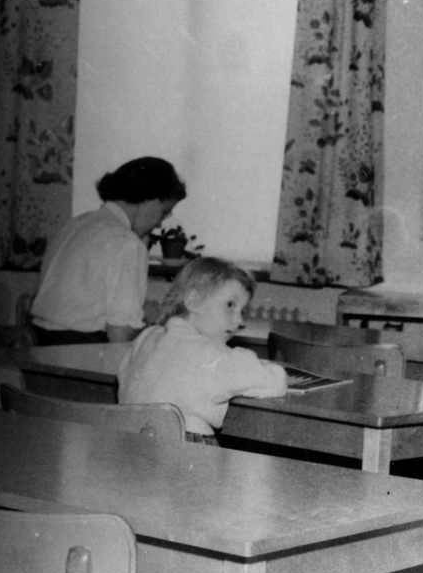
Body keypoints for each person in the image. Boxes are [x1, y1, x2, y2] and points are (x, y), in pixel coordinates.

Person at [118, 257, 288, 443]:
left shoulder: (146, 337)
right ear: (193, 301)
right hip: (184, 452)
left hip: (129, 445)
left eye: (242, 311)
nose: (239, 321)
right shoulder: (209, 353)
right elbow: (276, 382)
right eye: (230, 305)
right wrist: (269, 367)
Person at [30, 156, 187, 345]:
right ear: (151, 199)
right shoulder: (126, 243)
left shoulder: (74, 225)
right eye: (163, 212)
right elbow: (120, 336)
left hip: (39, 344)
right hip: (81, 349)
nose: (160, 224)